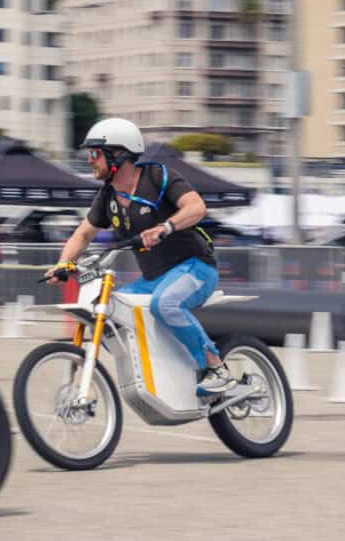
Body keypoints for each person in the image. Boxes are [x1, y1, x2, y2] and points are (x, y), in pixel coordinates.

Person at [44, 118, 234, 396]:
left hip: (195, 268)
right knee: (108, 314)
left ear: (118, 154)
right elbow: (82, 234)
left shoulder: (158, 177)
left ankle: (217, 367)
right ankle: (165, 370)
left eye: (95, 153)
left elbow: (197, 207)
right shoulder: (107, 197)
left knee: (165, 304)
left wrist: (165, 227)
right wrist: (63, 264)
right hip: (155, 278)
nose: (89, 160)